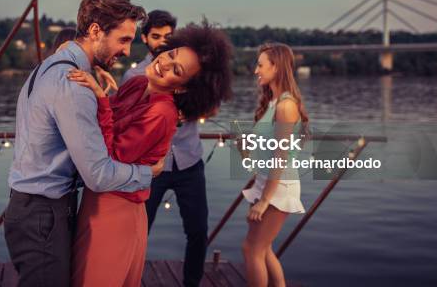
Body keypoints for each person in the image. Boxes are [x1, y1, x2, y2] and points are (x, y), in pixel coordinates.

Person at [4, 0, 165, 287]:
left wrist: (99, 89)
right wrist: (149, 173)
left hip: (30, 210)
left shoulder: (50, 67)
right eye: (124, 40)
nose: (128, 51)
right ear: (94, 31)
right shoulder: (72, 84)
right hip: (44, 216)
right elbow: (98, 175)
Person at [69, 21, 233, 287]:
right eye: (170, 55)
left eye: (176, 70)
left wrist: (100, 98)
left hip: (117, 207)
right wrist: (94, 79)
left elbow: (113, 158)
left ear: (181, 88)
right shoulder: (138, 83)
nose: (164, 64)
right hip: (97, 197)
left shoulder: (162, 112)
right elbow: (109, 119)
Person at [122, 10, 211, 286]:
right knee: (138, 231)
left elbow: (211, 104)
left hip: (188, 162)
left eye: (168, 37)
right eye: (156, 36)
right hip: (152, 167)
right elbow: (127, 120)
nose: (162, 42)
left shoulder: (192, 72)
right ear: (145, 38)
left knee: (198, 230)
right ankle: (130, 280)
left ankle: (191, 284)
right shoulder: (135, 74)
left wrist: (191, 111)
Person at [241, 43, 308, 287]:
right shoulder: (273, 103)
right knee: (264, 249)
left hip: (278, 189)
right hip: (265, 183)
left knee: (251, 249)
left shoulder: (286, 106)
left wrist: (265, 200)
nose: (255, 70)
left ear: (276, 67)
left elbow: (281, 158)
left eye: (260, 65)